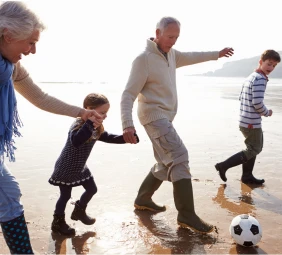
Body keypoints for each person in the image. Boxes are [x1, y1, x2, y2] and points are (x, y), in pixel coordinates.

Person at [0, 2, 102, 254]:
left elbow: (40, 97)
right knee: (9, 197)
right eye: (30, 42)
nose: (33, 50)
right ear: (8, 35)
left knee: (8, 195)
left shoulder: (11, 68)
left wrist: (82, 112)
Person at [120, 16, 234, 234]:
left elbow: (192, 56)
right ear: (158, 32)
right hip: (153, 116)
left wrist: (216, 55)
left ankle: (143, 198)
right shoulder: (143, 59)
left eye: (177, 37)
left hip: (165, 117)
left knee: (166, 161)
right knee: (179, 156)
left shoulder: (171, 54)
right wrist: (127, 125)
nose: (173, 41)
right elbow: (127, 94)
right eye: (170, 36)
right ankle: (186, 214)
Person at [49, 93, 139, 236]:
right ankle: (58, 223)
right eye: (102, 112)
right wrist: (90, 123)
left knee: (92, 189)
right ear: (89, 109)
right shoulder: (79, 123)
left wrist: (125, 138)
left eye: (106, 113)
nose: (105, 116)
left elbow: (107, 137)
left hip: (80, 167)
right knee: (65, 196)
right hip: (66, 166)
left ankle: (79, 211)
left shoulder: (96, 128)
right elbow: (76, 141)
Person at [215, 50, 281, 185]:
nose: (271, 68)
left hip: (245, 119)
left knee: (252, 148)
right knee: (254, 148)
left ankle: (247, 176)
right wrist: (267, 112)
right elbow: (257, 103)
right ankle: (223, 166)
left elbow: (241, 97)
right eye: (269, 64)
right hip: (251, 122)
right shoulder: (260, 79)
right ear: (261, 62)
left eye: (274, 66)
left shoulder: (251, 76)